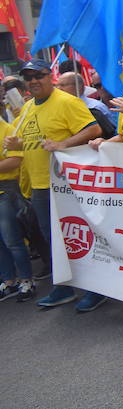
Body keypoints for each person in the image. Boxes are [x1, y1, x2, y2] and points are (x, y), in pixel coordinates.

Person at [4, 60, 101, 309]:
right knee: (52, 240)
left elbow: (93, 129)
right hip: (39, 185)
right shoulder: (27, 108)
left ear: (51, 77)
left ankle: (96, 289)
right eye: (29, 77)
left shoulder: (67, 102)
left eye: (39, 75)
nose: (34, 81)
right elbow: (30, 143)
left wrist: (64, 144)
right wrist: (17, 145)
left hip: (66, 184)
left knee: (78, 236)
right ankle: (64, 288)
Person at [0, 113, 30, 302]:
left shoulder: (8, 130)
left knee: (12, 239)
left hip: (6, 190)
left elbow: (15, 160)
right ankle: (9, 280)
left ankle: (27, 279)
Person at [56, 72, 116, 139]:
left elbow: (112, 133)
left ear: (79, 86)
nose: (58, 89)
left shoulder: (96, 107)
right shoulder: (58, 108)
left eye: (63, 85)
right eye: (57, 85)